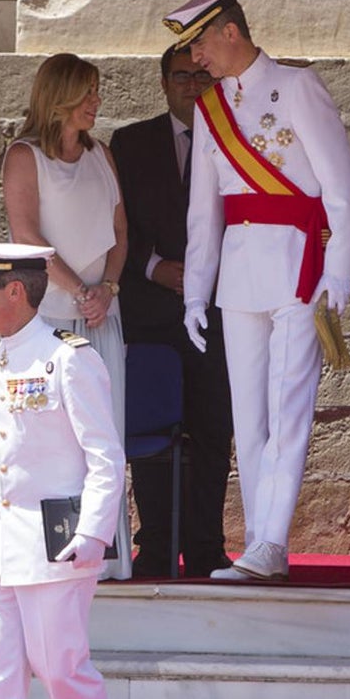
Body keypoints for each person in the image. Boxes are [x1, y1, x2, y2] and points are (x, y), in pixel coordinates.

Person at [163, 0, 350, 581]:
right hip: (239, 274)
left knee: (287, 410)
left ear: (230, 31)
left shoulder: (297, 87)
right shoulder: (210, 109)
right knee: (247, 417)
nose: (195, 58)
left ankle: (272, 540)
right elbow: (204, 213)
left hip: (299, 269)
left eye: (199, 43)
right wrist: (196, 292)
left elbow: (341, 189)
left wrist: (339, 269)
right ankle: (258, 540)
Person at [0, 240, 123, 699]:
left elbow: (104, 455)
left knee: (61, 672)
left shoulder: (68, 358)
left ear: (15, 291)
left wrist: (93, 532)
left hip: (53, 548)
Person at [1, 53, 132, 580]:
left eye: (96, 91)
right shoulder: (24, 155)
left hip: (101, 315)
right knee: (51, 438)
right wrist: (80, 291)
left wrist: (107, 289)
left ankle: (103, 555)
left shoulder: (102, 154)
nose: (95, 102)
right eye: (86, 92)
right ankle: (50, 555)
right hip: (48, 319)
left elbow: (119, 232)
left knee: (103, 435)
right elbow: (27, 234)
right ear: (59, 98)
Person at [109, 45, 235, 578]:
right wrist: (154, 266)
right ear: (163, 83)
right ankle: (157, 543)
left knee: (212, 430)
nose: (192, 86)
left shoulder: (240, 141)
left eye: (202, 76)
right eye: (181, 76)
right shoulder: (130, 143)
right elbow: (115, 224)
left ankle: (206, 546)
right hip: (151, 309)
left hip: (220, 311)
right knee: (152, 429)